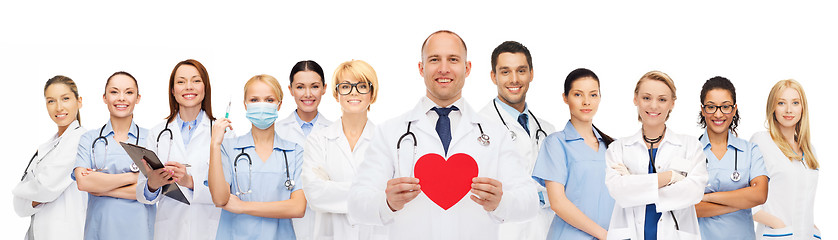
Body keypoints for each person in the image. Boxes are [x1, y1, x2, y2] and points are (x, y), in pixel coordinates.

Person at [347, 30, 537, 240]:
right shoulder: (390, 132)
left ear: (467, 68)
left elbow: (529, 202)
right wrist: (387, 203)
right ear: (421, 68)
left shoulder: (496, 133)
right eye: (434, 59)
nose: (444, 69)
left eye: (453, 60)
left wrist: (502, 203)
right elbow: (356, 204)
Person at [604, 71, 707, 240]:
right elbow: (619, 192)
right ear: (635, 99)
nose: (653, 106)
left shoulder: (691, 146)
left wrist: (633, 183)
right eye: (646, 98)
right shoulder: (618, 148)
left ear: (672, 103)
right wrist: (670, 177)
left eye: (662, 99)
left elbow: (693, 192)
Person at [209, 74, 306, 239]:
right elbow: (219, 199)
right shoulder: (228, 148)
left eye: (269, 100)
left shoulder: (294, 151)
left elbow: (298, 208)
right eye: (254, 100)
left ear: (279, 104)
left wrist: (243, 207)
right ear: (245, 105)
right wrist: (214, 145)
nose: (262, 106)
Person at [135, 59, 222, 240]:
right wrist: (152, 184)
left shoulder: (222, 132)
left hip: (209, 229)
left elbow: (227, 192)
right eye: (181, 82)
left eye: (196, 81)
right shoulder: (158, 133)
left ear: (205, 88)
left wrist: (190, 181)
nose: (188, 87)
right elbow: (143, 195)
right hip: (169, 230)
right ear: (173, 91)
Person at [477, 41, 556, 240]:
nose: (514, 79)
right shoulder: (477, 128)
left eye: (521, 71)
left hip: (544, 231)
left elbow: (560, 188)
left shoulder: (547, 130)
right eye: (505, 72)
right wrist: (542, 196)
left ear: (531, 74)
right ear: (493, 76)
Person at [302, 60, 388, 240]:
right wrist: (372, 195)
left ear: (372, 94)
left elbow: (393, 198)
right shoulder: (318, 140)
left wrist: (333, 189)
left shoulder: (387, 142)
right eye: (346, 86)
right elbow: (315, 194)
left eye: (362, 86)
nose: (354, 91)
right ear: (336, 93)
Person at [531, 68, 615, 240]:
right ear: (565, 98)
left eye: (593, 95)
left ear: (600, 98)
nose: (586, 102)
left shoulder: (613, 146)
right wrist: (605, 236)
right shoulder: (556, 143)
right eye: (578, 95)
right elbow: (558, 203)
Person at [72, 71, 154, 239]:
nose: (121, 98)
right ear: (104, 97)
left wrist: (100, 187)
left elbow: (152, 191)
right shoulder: (89, 139)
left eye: (129, 92)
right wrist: (135, 177)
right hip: (100, 230)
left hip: (139, 231)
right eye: (114, 92)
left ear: (138, 98)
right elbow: (83, 182)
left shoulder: (151, 138)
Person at [14, 75, 88, 240]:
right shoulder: (46, 147)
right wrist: (31, 196)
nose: (59, 107)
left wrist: (19, 191)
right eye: (51, 101)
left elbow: (46, 188)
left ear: (79, 101)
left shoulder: (80, 140)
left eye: (65, 98)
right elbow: (18, 207)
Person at [695, 76, 768, 239]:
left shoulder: (750, 150)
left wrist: (707, 198)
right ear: (703, 109)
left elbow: (759, 195)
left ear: (734, 109)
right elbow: (688, 207)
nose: (718, 114)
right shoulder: (690, 151)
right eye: (711, 107)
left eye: (725, 107)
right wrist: (741, 201)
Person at [750, 79, 820, 239]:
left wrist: (813, 228)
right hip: (778, 235)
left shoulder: (810, 150)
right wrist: (778, 225)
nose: (789, 110)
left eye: (795, 103)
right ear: (772, 107)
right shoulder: (761, 142)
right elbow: (748, 200)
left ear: (803, 108)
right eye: (781, 103)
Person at [275, 60, 333, 240]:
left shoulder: (336, 132)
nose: (308, 94)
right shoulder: (276, 131)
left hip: (326, 222)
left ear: (324, 88)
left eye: (314, 86)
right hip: (284, 223)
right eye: (300, 87)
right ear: (290, 89)